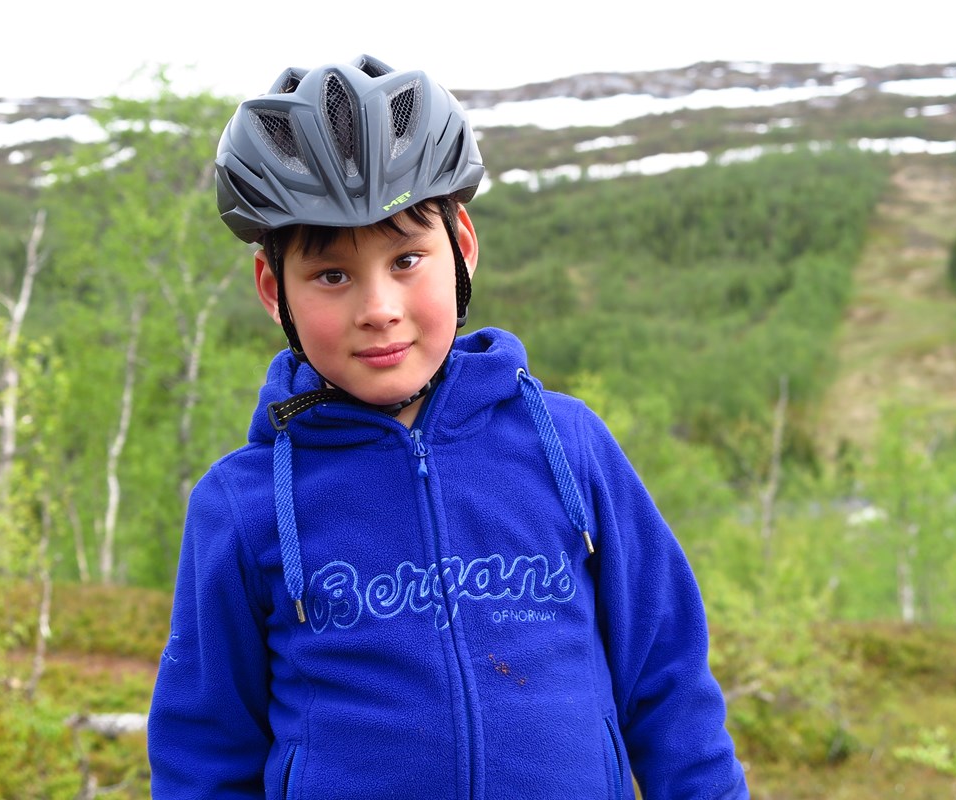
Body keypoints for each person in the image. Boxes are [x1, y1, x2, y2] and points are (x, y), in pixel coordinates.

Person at [147, 54, 749, 800]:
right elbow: (203, 755)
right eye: (332, 275)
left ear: (461, 248)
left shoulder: (569, 446)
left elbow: (669, 682)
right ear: (276, 291)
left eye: (406, 259)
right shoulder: (242, 508)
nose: (379, 307)